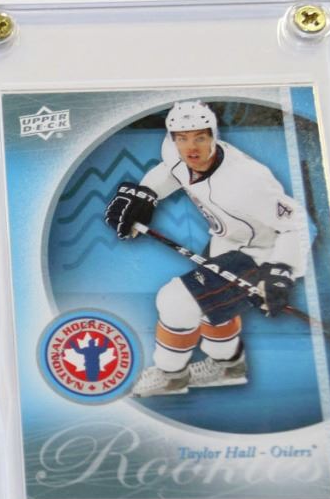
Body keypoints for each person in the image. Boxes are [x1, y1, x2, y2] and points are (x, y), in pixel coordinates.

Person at [103, 101, 307, 397]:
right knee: (211, 307)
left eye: (200, 137)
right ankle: (228, 366)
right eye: (182, 138)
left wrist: (281, 272)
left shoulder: (249, 180)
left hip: (261, 252)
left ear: (214, 135)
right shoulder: (174, 152)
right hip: (225, 241)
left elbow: (297, 224)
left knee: (176, 300)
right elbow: (170, 171)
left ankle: (171, 375)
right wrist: (146, 195)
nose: (191, 147)